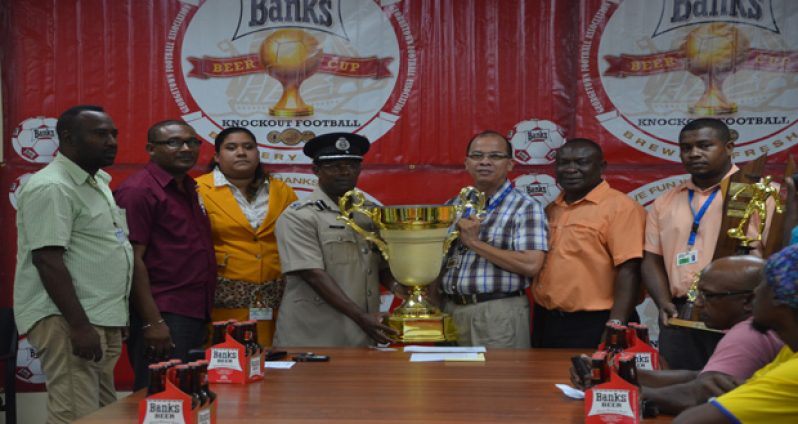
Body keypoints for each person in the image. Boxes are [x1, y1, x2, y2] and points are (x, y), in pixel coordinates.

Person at [13, 105, 133, 423]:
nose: (111, 141)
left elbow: (109, 250)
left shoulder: (98, 183)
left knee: (105, 412)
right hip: (68, 319)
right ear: (68, 137)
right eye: (100, 134)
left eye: (113, 134)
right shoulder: (53, 186)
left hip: (99, 315)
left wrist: (114, 313)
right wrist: (79, 326)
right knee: (75, 414)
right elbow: (47, 259)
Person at [642, 118, 776, 370]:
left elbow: (776, 256)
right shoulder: (665, 201)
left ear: (729, 148)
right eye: (686, 148)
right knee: (677, 394)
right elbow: (651, 259)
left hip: (740, 316)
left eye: (704, 146)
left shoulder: (760, 194)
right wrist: (663, 302)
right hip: (678, 315)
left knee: (734, 394)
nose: (694, 153)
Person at [573, 256, 782, 415]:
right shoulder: (757, 327)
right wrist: (615, 372)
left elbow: (697, 395)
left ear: (748, 301)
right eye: (697, 294)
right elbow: (700, 377)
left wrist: (622, 393)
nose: (698, 303)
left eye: (708, 296)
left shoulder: (748, 334)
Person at [114, 120, 216, 390]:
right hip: (163, 313)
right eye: (173, 142)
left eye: (192, 142)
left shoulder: (189, 187)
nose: (185, 148)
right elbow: (131, 260)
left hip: (193, 309)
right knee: (162, 399)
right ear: (151, 149)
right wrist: (153, 322)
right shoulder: (139, 191)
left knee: (187, 395)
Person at [273, 132, 398, 347]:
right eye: (334, 166)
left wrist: (406, 290)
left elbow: (382, 265)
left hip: (363, 333)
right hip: (314, 335)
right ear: (316, 170)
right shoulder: (299, 216)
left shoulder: (370, 213)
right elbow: (313, 275)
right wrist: (361, 318)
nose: (345, 172)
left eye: (352, 165)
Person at [438, 130, 548, 348]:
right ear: (466, 163)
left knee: (496, 381)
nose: (485, 162)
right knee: (450, 382)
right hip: (450, 309)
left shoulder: (526, 207)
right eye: (477, 156)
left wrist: (475, 243)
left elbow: (531, 264)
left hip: (497, 312)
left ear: (510, 164)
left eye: (495, 156)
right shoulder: (453, 205)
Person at [532, 138, 645, 348]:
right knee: (546, 380)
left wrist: (616, 324)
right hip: (548, 319)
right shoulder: (551, 209)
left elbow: (630, 270)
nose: (570, 169)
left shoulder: (621, 207)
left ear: (601, 167)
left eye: (581, 162)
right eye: (563, 163)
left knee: (594, 380)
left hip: (598, 321)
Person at [196, 127, 297, 346]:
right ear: (216, 156)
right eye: (231, 148)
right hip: (221, 298)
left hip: (274, 296)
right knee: (226, 363)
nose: (241, 153)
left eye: (248, 147)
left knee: (273, 363)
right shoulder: (199, 189)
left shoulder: (281, 190)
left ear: (258, 154)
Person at [674, 245, 798, 423]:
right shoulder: (790, 351)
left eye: (764, 284)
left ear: (780, 298)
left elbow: (689, 421)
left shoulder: (793, 372)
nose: (756, 292)